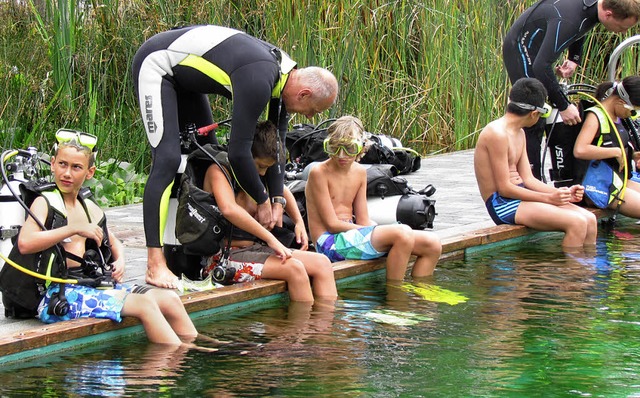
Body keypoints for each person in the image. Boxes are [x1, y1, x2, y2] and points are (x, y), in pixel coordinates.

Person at [132, 25, 339, 288]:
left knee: (207, 154)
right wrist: (262, 201)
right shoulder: (260, 78)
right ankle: (155, 264)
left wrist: (277, 199)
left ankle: (202, 248)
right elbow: (238, 152)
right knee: (168, 160)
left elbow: (277, 149)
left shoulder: (285, 77)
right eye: (312, 110)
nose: (310, 118)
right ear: (304, 94)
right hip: (158, 65)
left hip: (187, 80)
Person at [15, 131, 199, 346]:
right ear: (53, 164)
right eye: (62, 164)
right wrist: (71, 228)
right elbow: (25, 243)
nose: (67, 173)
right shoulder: (45, 202)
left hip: (91, 285)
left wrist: (119, 260)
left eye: (76, 167)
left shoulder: (88, 206)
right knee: (144, 305)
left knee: (170, 299)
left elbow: (112, 240)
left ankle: (198, 344)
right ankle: (181, 356)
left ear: (89, 172)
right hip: (58, 293)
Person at [201, 121, 338, 302]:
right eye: (260, 166)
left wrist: (298, 222)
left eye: (268, 168)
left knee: (322, 263)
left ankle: (325, 325)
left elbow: (283, 190)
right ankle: (305, 329)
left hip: (256, 249)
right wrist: (270, 239)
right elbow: (229, 209)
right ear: (246, 158)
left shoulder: (260, 175)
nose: (264, 174)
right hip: (225, 257)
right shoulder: (219, 170)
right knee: (295, 269)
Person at [502, 0, 640, 180]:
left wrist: (574, 58)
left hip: (538, 51)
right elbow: (541, 66)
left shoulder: (592, 10)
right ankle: (529, 182)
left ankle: (533, 180)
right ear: (609, 14)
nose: (622, 32)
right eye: (622, 27)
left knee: (541, 114)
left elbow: (580, 29)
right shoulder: (572, 20)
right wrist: (564, 105)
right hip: (520, 47)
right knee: (532, 116)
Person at [305, 116, 442, 281]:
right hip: (329, 242)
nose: (341, 155)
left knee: (432, 244)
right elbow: (332, 225)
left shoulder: (360, 172)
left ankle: (421, 290)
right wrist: (377, 231)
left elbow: (363, 219)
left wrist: (379, 230)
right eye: (335, 148)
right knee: (402, 233)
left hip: (353, 233)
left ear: (361, 147)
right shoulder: (319, 173)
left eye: (349, 148)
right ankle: (396, 297)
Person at [474, 77, 598, 249]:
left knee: (590, 220)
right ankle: (573, 274)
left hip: (521, 194)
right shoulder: (496, 134)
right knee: (576, 223)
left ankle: (586, 273)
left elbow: (529, 179)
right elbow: (504, 188)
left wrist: (562, 193)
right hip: (503, 203)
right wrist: (549, 198)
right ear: (534, 113)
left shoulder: (519, 133)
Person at [573, 76, 640, 217]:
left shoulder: (617, 116)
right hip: (599, 184)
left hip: (617, 179)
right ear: (621, 102)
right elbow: (580, 150)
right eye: (633, 111)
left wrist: (632, 156)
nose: (632, 115)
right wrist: (616, 152)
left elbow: (609, 143)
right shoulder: (595, 116)